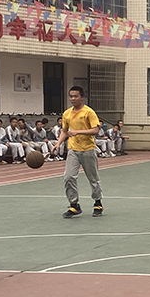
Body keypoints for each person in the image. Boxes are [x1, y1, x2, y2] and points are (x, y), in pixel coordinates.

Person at [52, 86, 104, 218]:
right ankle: (74, 205)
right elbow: (64, 131)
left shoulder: (89, 112)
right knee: (69, 177)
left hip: (88, 149)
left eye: (75, 96)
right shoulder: (67, 113)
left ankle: (97, 202)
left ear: (82, 97)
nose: (73, 98)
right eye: (71, 96)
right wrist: (58, 144)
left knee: (93, 178)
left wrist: (78, 132)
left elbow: (95, 130)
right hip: (73, 150)